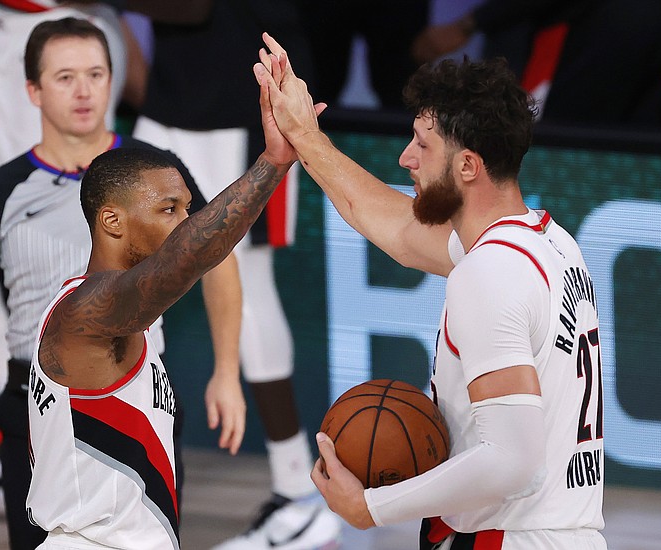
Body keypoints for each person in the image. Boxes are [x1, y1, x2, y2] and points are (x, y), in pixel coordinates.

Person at [255, 34, 606, 549]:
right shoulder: (548, 242)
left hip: (512, 538)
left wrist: (371, 507)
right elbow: (394, 228)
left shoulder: (490, 273)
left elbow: (515, 462)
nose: (405, 159)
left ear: (468, 165)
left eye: (422, 143)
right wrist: (304, 134)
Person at [0, 17, 244, 549]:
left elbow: (218, 260)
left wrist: (227, 371)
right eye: (65, 76)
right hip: (36, 401)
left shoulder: (154, 174)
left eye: (96, 73)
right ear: (33, 90)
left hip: (141, 397)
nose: (84, 90)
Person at [25, 69, 314, 546]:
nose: (185, 222)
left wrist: (225, 371)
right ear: (113, 221)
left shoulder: (124, 316)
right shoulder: (85, 313)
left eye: (186, 207)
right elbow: (186, 258)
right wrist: (273, 162)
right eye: (168, 209)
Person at [132, 4, 341, 548]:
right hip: (169, 96)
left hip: (248, 107)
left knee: (249, 289)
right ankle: (121, 472)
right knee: (131, 278)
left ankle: (298, 493)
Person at [411, 0, 661, 127]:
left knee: (569, 140)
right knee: (636, 138)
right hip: (658, 22)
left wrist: (469, 24)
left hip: (607, 29)